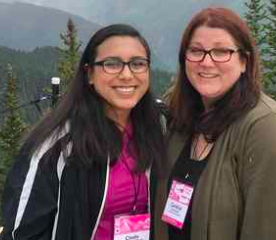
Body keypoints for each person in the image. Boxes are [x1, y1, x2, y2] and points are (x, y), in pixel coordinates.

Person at [1, 24, 166, 240]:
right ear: (89, 74)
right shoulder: (55, 145)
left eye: (137, 64)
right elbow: (21, 234)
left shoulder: (160, 127)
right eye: (112, 64)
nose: (127, 75)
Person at [151, 7, 276, 240]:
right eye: (196, 51)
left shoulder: (267, 128)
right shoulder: (181, 117)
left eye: (221, 52)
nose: (207, 62)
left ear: (244, 61)